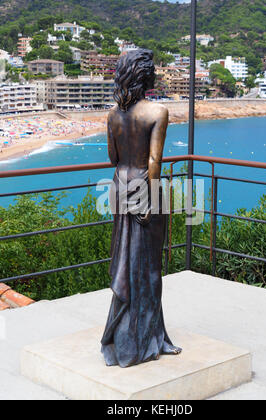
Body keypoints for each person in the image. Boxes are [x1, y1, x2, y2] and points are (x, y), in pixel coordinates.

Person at [101, 49, 182, 368]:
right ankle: (148, 339)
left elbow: (112, 157)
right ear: (145, 75)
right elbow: (154, 161)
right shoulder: (157, 111)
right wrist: (149, 198)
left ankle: (131, 335)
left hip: (120, 182)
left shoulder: (112, 114)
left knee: (125, 259)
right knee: (148, 267)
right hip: (144, 185)